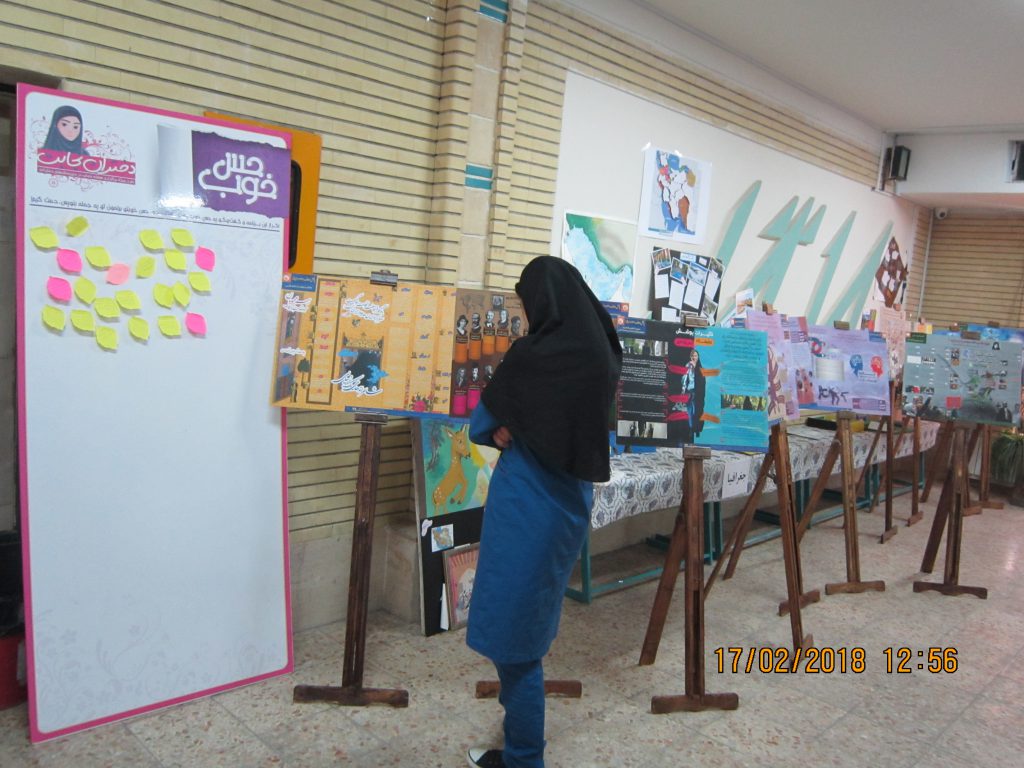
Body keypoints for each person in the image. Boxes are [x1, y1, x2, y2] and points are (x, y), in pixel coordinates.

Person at [465, 256, 622, 768]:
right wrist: (517, 424)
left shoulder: (531, 357)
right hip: (567, 508)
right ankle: (520, 747)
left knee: (514, 646)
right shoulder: (603, 354)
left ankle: (524, 759)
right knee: (528, 626)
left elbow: (480, 425)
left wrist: (510, 426)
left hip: (524, 506)